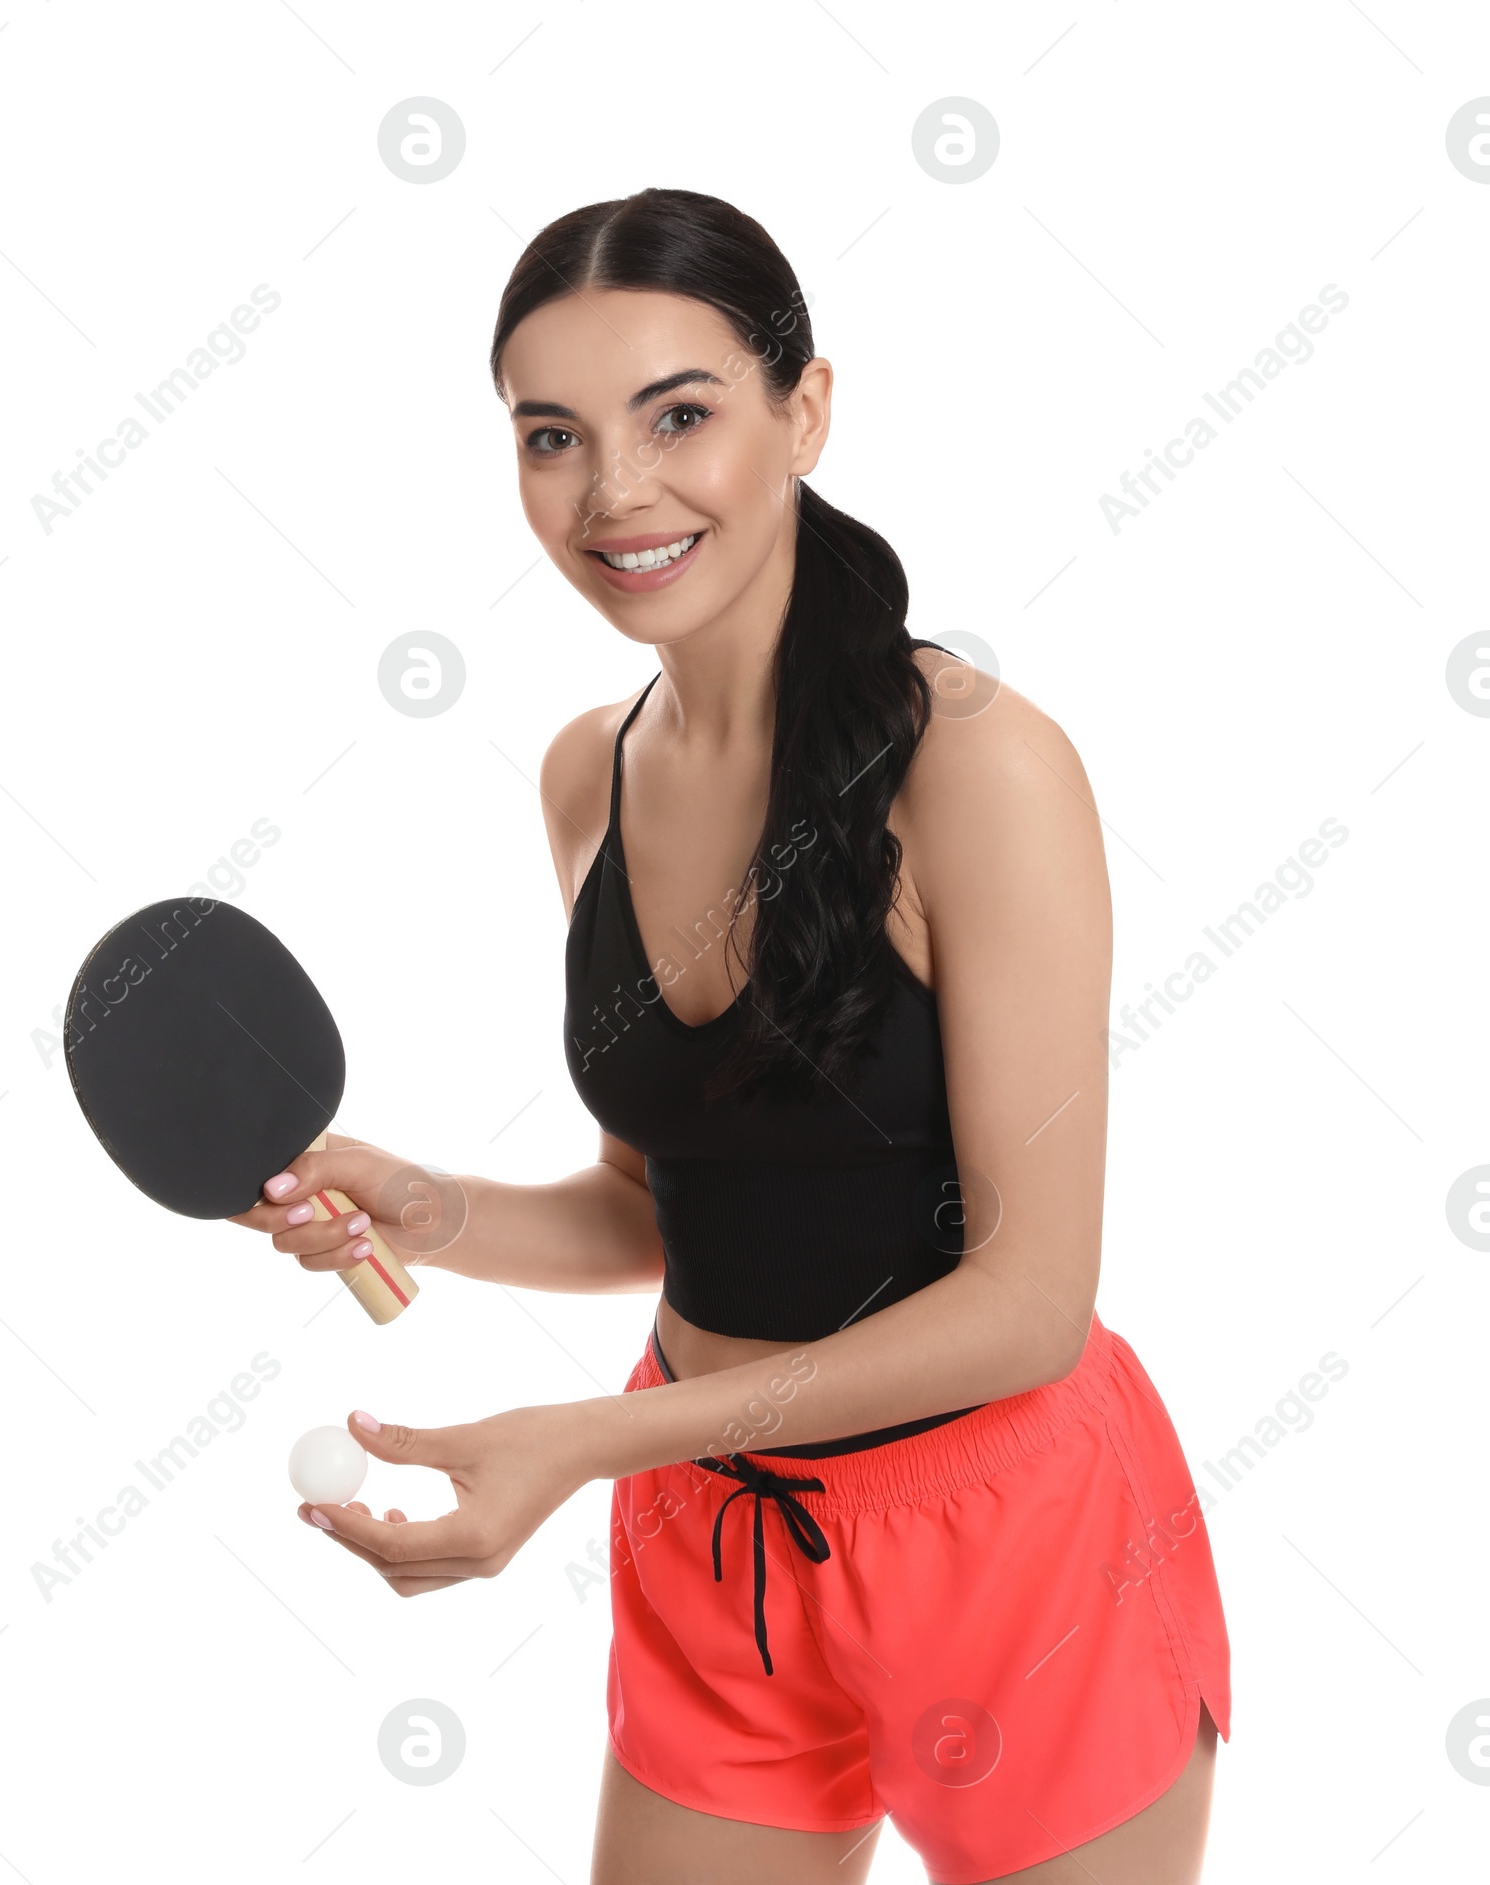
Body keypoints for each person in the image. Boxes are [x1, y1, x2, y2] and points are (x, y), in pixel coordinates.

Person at [231, 187, 1231, 1885]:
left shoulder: (980, 769)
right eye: (554, 437)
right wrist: (432, 1209)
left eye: (678, 414)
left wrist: (581, 1443)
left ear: (806, 411)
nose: (616, 492)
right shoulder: (583, 776)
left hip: (1015, 1545)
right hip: (715, 1541)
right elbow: (662, 1204)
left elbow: (1029, 1301)